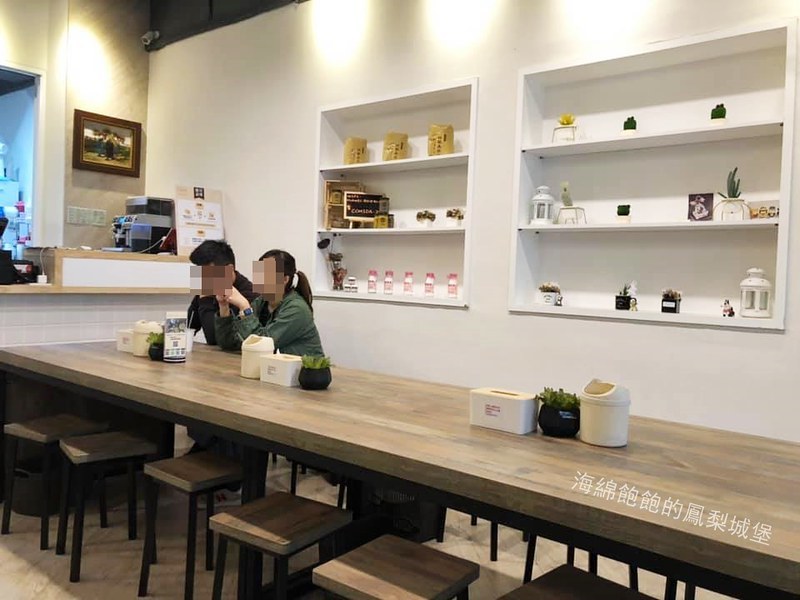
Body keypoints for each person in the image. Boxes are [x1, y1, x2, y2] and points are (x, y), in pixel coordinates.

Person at [215, 249, 324, 357]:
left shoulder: (297, 309)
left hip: (305, 367)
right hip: (275, 366)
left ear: (284, 279)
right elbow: (231, 343)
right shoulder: (261, 302)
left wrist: (245, 307)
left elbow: (261, 345)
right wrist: (224, 306)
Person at [187, 239, 264, 346]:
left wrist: (206, 299)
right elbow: (188, 327)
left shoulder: (250, 295)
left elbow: (215, 339)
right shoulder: (208, 288)